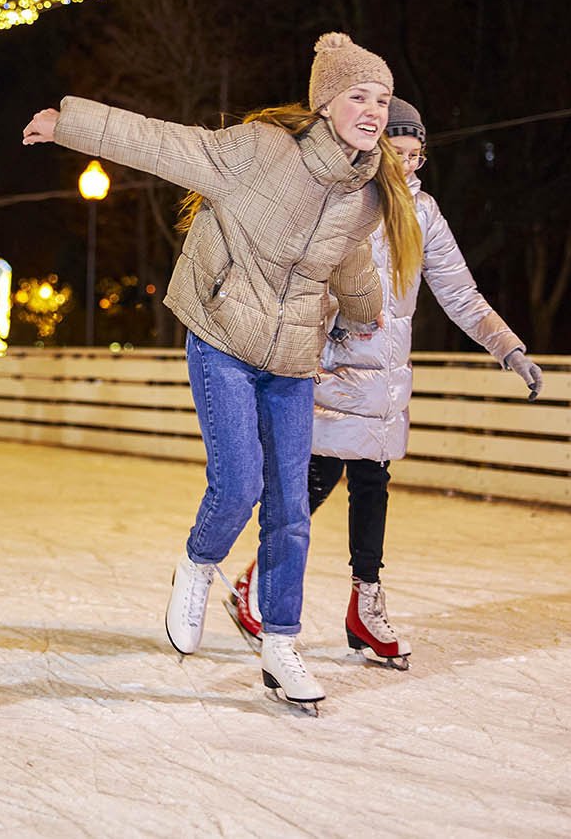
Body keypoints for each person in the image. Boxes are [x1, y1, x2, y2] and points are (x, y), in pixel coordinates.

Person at [22, 32, 423, 709]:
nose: (373, 109)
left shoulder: (363, 194)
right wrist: (71, 125)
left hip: (292, 359)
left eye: (381, 99)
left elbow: (350, 261)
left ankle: (280, 645)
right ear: (326, 101)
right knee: (239, 485)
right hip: (222, 335)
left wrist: (366, 310)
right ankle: (197, 562)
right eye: (359, 94)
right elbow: (163, 144)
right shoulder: (259, 151)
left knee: (291, 509)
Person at [223, 99, 543, 670]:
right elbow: (299, 276)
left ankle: (364, 606)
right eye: (398, 154)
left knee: (371, 483)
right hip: (332, 365)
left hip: (386, 380)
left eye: (417, 155)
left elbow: (459, 292)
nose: (409, 165)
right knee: (312, 484)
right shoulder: (340, 199)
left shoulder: (423, 214)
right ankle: (260, 584)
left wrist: (507, 345)